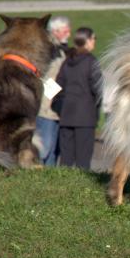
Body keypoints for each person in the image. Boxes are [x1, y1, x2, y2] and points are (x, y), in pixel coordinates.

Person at [53, 27, 102, 169]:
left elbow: (54, 87)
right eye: (93, 39)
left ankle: (63, 188)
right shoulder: (91, 62)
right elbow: (98, 90)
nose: (94, 42)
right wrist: (97, 110)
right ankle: (80, 189)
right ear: (86, 41)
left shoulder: (67, 61)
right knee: (83, 161)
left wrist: (55, 106)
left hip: (66, 116)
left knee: (65, 161)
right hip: (86, 117)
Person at [34, 16, 70, 166]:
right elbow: (42, 76)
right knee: (45, 147)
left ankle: (50, 176)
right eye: (64, 30)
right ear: (55, 32)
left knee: (55, 149)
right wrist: (54, 93)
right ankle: (37, 174)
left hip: (58, 107)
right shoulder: (48, 50)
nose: (69, 32)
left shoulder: (63, 50)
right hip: (46, 108)